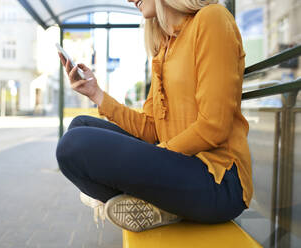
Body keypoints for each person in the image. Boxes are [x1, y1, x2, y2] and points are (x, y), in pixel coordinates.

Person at [56, 0, 253, 233]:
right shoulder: (165, 45)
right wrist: (96, 94)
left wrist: (155, 157)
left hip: (218, 181)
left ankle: (156, 203)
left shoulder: (212, 19)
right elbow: (151, 129)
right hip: (179, 166)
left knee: (74, 146)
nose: (129, 0)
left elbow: (214, 125)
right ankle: (160, 206)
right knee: (81, 124)